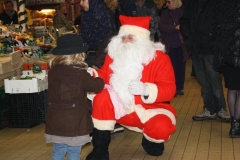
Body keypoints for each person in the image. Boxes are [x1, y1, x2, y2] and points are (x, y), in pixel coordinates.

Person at [86, 15, 177, 159]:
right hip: (119, 107)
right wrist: (92, 74)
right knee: (101, 97)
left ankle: (150, 139)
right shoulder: (114, 55)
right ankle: (100, 150)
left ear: (142, 40)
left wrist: (146, 90)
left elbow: (169, 89)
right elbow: (104, 76)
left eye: (131, 37)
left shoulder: (160, 59)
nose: (126, 41)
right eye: (123, 37)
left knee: (162, 127)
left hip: (148, 109)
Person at [44, 34, 104, 160]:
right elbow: (96, 86)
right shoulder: (80, 72)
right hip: (74, 121)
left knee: (58, 151)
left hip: (56, 120)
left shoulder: (53, 71)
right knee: (73, 152)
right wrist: (98, 77)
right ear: (79, 54)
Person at [179, 0, 230, 122]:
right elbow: (184, 20)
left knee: (214, 78)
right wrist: (188, 36)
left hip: (211, 47)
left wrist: (213, 36)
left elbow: (221, 21)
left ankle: (221, 109)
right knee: (202, 80)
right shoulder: (191, 3)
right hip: (196, 47)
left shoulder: (215, 3)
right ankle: (209, 108)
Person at [213, 0, 240, 137]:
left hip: (226, 54)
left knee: (232, 89)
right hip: (238, 52)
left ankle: (233, 124)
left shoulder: (220, 5)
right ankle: (237, 124)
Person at [159, 0, 188, 95]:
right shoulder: (165, 13)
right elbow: (161, 26)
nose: (167, 4)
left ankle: (180, 87)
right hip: (169, 44)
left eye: (169, 2)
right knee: (171, 67)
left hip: (181, 44)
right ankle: (173, 87)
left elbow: (187, 26)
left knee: (181, 66)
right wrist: (174, 27)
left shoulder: (184, 12)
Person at [80, 0, 117, 67]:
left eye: (83, 0)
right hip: (89, 56)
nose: (81, 3)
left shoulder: (103, 15)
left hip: (100, 58)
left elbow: (109, 40)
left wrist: (98, 62)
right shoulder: (87, 15)